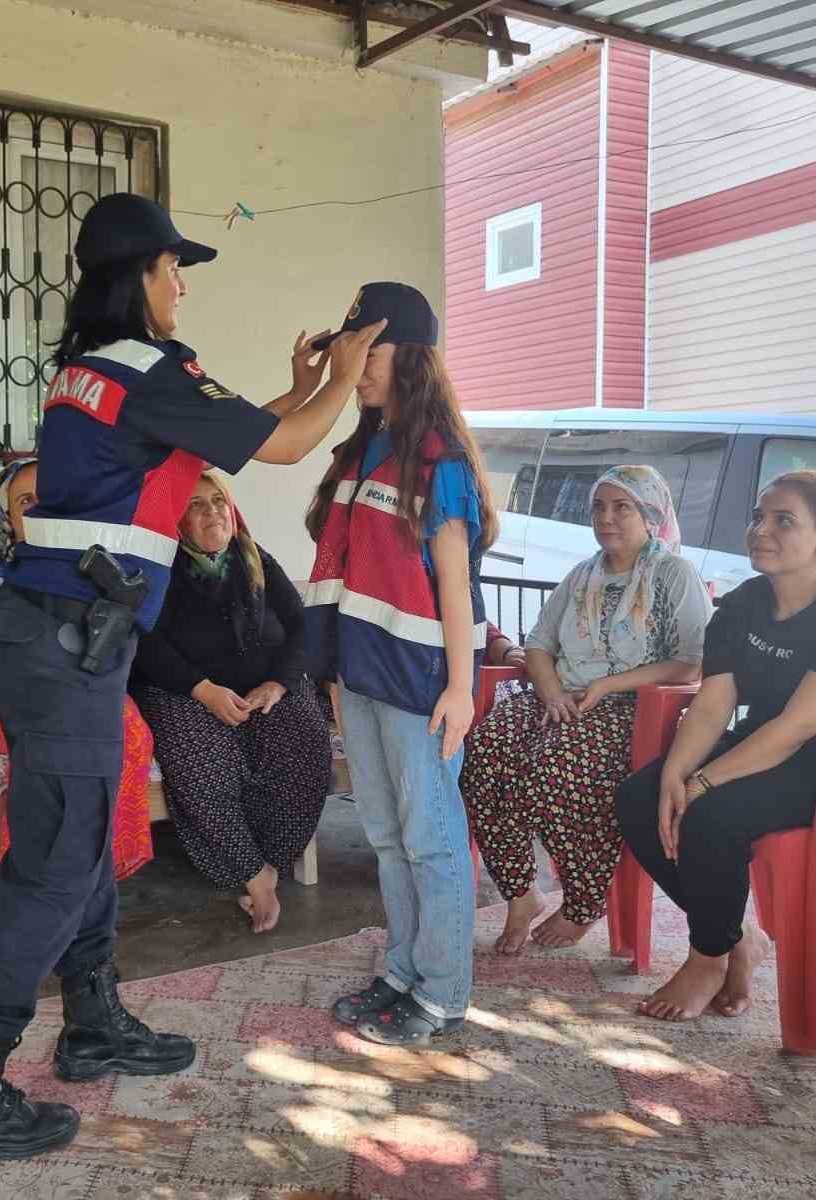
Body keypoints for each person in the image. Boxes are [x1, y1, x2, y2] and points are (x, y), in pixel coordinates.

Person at [0, 192, 386, 1164]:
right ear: (140, 274)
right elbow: (286, 448)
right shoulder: (148, 366)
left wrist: (295, 388)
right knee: (52, 863)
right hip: (66, 644)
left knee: (81, 846)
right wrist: (340, 378)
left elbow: (241, 439)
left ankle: (92, 1024)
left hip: (56, 636)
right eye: (176, 269)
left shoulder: (86, 375)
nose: (181, 286)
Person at [614, 469, 816, 1022]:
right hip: (772, 748)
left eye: (784, 521)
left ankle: (706, 957)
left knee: (710, 815)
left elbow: (801, 724)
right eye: (758, 517)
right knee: (640, 797)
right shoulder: (744, 603)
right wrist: (676, 777)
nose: (761, 530)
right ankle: (737, 938)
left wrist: (701, 783)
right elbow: (712, 704)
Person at [302, 281, 495, 1047]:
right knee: (386, 835)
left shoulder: (437, 458)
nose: (357, 364)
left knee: (432, 838)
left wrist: (459, 688)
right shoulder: (365, 447)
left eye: (367, 349)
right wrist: (339, 680)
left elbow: (454, 582)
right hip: (366, 675)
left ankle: (443, 993)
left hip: (421, 686)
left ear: (409, 357)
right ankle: (405, 969)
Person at [461, 466, 708, 956]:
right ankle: (520, 894)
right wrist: (551, 691)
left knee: (554, 769)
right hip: (562, 698)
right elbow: (539, 644)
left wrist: (608, 684)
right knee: (483, 753)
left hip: (634, 710)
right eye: (599, 506)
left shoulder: (672, 574)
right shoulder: (584, 574)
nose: (606, 518)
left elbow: (692, 663)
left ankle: (582, 902)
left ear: (650, 515)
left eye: (622, 507)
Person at [132, 471, 331, 933]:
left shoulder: (254, 558)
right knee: (201, 764)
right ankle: (254, 874)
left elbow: (303, 627)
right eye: (196, 504)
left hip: (266, 687)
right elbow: (144, 642)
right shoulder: (155, 566)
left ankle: (272, 860)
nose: (213, 512)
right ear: (175, 518)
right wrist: (202, 689)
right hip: (184, 690)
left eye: (218, 500)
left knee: (303, 746)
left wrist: (279, 684)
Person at [0, 457, 154, 883]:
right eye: (24, 500)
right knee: (46, 748)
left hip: (83, 692)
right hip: (2, 696)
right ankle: (36, 882)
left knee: (131, 732)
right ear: (5, 512)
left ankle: (100, 873)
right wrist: (58, 687)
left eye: (48, 498)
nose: (37, 507)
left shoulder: (94, 563)